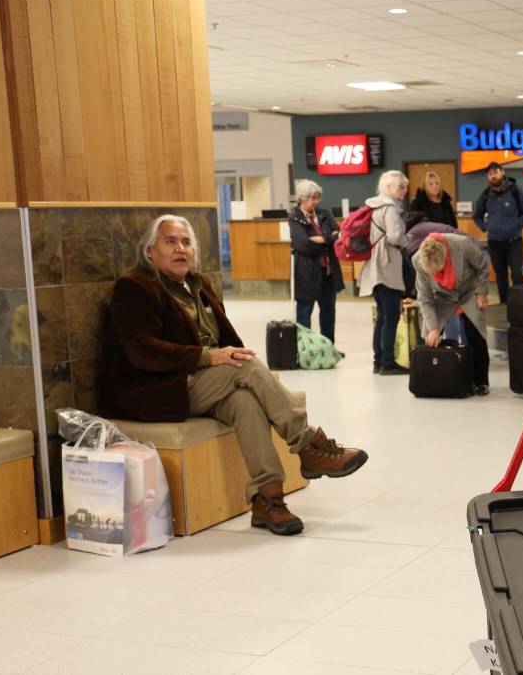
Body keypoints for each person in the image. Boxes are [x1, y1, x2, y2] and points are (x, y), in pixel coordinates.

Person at [104, 215, 368, 536]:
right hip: (163, 386)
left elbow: (225, 341)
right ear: (149, 252)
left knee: (245, 401)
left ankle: (268, 500)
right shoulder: (135, 286)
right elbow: (141, 350)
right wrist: (209, 356)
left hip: (207, 380)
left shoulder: (199, 285)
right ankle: (308, 444)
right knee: (247, 367)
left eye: (186, 242)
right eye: (170, 242)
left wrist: (227, 356)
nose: (180, 249)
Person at [413, 234, 491, 395]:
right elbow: (425, 298)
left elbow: (482, 266)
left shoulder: (462, 245)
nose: (435, 274)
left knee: (475, 334)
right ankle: (433, 378)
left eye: (438, 271)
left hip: (468, 291)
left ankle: (481, 381)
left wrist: (481, 292)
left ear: (446, 257)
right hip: (443, 296)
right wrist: (433, 328)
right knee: (429, 334)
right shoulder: (418, 261)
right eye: (432, 273)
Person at [360, 170, 410, 375]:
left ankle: (378, 361)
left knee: (382, 316)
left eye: (405, 187)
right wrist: (408, 241)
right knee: (391, 316)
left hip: (374, 266)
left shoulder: (372, 205)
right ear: (388, 188)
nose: (404, 191)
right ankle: (387, 362)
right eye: (400, 187)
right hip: (387, 265)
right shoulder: (389, 208)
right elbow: (396, 236)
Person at [289, 179, 344, 343]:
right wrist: (328, 241)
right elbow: (303, 244)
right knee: (304, 313)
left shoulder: (325, 214)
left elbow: (338, 235)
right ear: (302, 198)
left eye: (317, 198)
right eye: (313, 198)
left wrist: (321, 239)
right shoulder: (295, 217)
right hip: (307, 273)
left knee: (328, 313)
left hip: (328, 272)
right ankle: (306, 349)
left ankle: (328, 349)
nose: (316, 202)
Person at [473, 162, 523, 303]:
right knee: (501, 276)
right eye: (490, 174)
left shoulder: (515, 190)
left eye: (495, 172)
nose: (493, 176)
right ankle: (504, 304)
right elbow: (477, 215)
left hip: (514, 241)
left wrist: (518, 225)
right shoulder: (486, 194)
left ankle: (521, 303)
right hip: (495, 243)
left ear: (502, 173)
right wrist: (486, 227)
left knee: (517, 273)